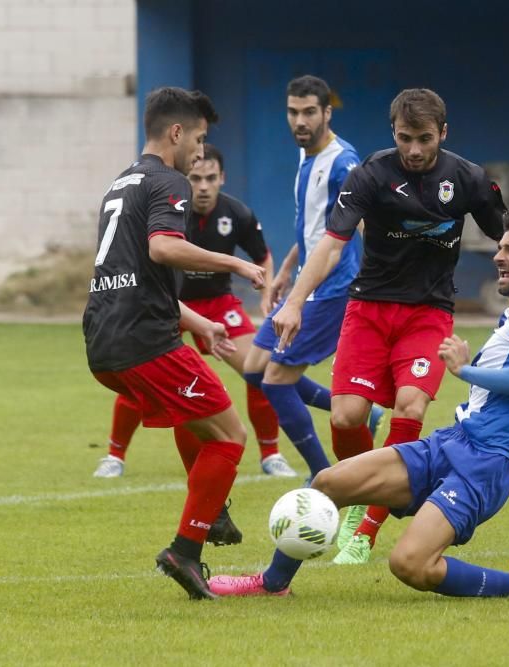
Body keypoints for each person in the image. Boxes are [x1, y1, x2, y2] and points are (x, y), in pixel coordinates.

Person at [271, 87, 509, 565]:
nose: (414, 150)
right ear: (391, 133)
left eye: (424, 139)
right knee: (346, 417)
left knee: (410, 404)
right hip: (369, 309)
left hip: (429, 312)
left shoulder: (468, 179)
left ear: (443, 133)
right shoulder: (370, 175)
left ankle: (368, 526)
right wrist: (294, 302)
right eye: (404, 139)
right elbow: (332, 244)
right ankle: (358, 498)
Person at [209, 209, 509, 599]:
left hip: (484, 465)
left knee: (410, 564)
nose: (498, 256)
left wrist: (465, 371)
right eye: (500, 247)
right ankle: (273, 584)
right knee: (328, 482)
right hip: (452, 443)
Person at [83, 86, 266, 599]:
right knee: (231, 436)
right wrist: (235, 263)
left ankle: (215, 512)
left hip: (104, 339)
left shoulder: (122, 183)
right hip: (145, 341)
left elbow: (135, 272)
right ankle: (186, 550)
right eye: (200, 139)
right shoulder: (168, 180)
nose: (201, 153)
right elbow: (164, 249)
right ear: (177, 132)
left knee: (197, 415)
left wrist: (198, 322)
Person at [93, 144, 298, 481]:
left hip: (218, 302)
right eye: (197, 178)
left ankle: (271, 454)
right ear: (187, 177)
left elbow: (262, 255)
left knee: (258, 370)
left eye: (211, 178)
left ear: (222, 178)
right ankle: (114, 456)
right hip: (169, 304)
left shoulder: (238, 213)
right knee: (142, 376)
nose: (203, 186)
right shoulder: (170, 207)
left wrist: (268, 291)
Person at [243, 75, 383, 484]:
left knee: (276, 380)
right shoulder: (307, 157)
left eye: (308, 112)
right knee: (255, 368)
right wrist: (287, 270)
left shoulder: (344, 164)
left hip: (334, 289)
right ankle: (368, 415)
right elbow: (315, 228)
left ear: (326, 113)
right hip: (307, 280)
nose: (299, 121)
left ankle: (323, 475)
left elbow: (356, 230)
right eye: (292, 112)